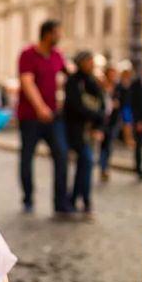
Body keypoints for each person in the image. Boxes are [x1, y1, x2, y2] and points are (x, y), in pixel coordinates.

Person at [17, 19, 71, 215]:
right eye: (58, 33)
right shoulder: (28, 54)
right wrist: (40, 107)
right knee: (27, 156)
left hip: (53, 116)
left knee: (62, 154)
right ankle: (28, 198)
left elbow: (69, 75)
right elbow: (27, 82)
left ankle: (61, 202)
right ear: (48, 34)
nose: (60, 37)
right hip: (30, 116)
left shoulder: (58, 55)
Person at [64, 51, 104, 218]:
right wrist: (94, 116)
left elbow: (101, 105)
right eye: (89, 61)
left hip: (89, 131)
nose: (91, 64)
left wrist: (98, 125)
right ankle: (84, 201)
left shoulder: (93, 82)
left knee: (84, 165)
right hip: (76, 131)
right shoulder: (73, 81)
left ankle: (75, 199)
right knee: (86, 162)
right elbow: (75, 106)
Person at [98, 66, 120, 181]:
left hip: (113, 120)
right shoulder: (101, 87)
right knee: (103, 145)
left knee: (109, 145)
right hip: (103, 120)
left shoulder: (117, 87)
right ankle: (103, 168)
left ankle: (105, 166)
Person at [115, 69, 135, 147]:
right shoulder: (120, 84)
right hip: (123, 106)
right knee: (126, 123)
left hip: (128, 105)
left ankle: (128, 138)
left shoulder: (130, 84)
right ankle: (127, 139)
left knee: (128, 124)